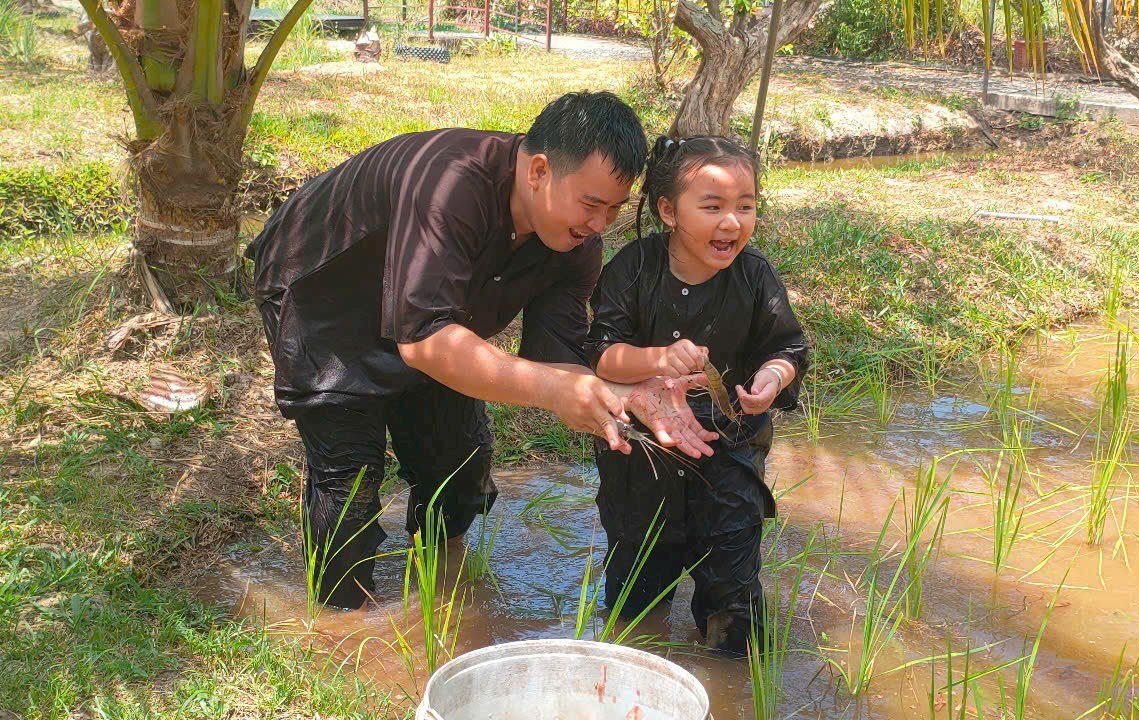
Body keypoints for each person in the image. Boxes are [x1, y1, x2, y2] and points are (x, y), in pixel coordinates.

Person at [246, 92, 717, 610]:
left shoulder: (576, 244)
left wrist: (621, 391)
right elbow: (425, 339)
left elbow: (553, 347)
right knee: (349, 483)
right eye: (590, 204)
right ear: (539, 170)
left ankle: (438, 581)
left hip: (430, 316)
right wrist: (552, 389)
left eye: (613, 210)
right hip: (326, 298)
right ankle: (343, 623)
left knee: (458, 471)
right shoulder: (451, 185)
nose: (600, 224)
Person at [586, 135, 810, 654]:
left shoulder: (755, 276)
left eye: (745, 207)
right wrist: (658, 360)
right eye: (713, 207)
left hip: (731, 444)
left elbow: (788, 347)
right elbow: (602, 354)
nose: (732, 222)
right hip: (644, 446)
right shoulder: (634, 269)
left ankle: (732, 682)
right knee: (638, 588)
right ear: (668, 210)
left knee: (733, 586)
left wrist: (771, 379)